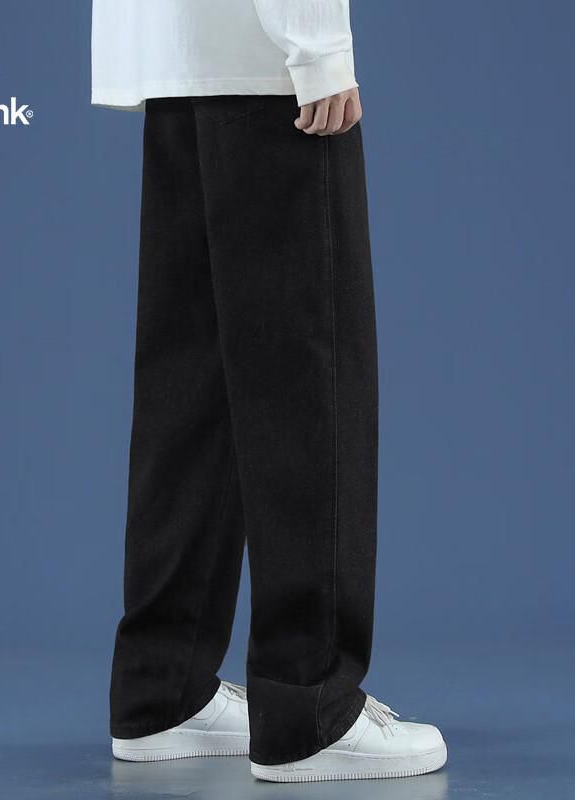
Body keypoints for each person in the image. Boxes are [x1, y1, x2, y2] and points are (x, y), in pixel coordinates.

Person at [91, 0, 447, 782]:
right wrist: (316, 43)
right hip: (264, 54)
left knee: (195, 383)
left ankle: (163, 688)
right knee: (308, 376)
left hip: (175, 54)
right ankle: (309, 704)